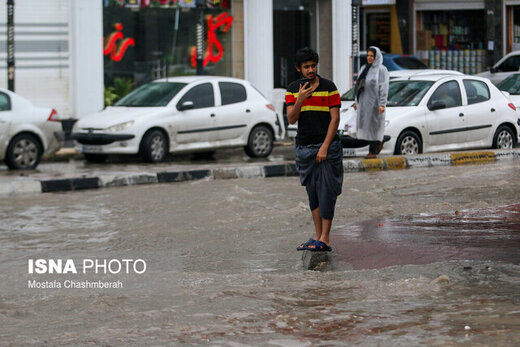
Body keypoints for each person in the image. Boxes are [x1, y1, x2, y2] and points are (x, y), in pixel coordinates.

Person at [285, 47, 343, 252]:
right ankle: (318, 236)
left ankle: (326, 238)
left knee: (327, 191)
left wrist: (325, 147)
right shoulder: (293, 89)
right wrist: (300, 98)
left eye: (313, 66)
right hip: (304, 148)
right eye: (306, 67)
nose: (310, 70)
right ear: (298, 69)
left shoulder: (329, 87)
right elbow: (291, 119)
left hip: (327, 147)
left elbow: (335, 119)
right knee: (313, 193)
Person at [353, 46, 389, 159]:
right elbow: (358, 86)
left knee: (374, 126)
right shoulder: (364, 68)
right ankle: (380, 142)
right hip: (364, 102)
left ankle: (372, 151)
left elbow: (384, 87)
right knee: (366, 126)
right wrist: (356, 100)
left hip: (375, 103)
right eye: (368, 56)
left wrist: (382, 104)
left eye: (371, 56)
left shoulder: (381, 70)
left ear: (376, 57)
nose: (369, 58)